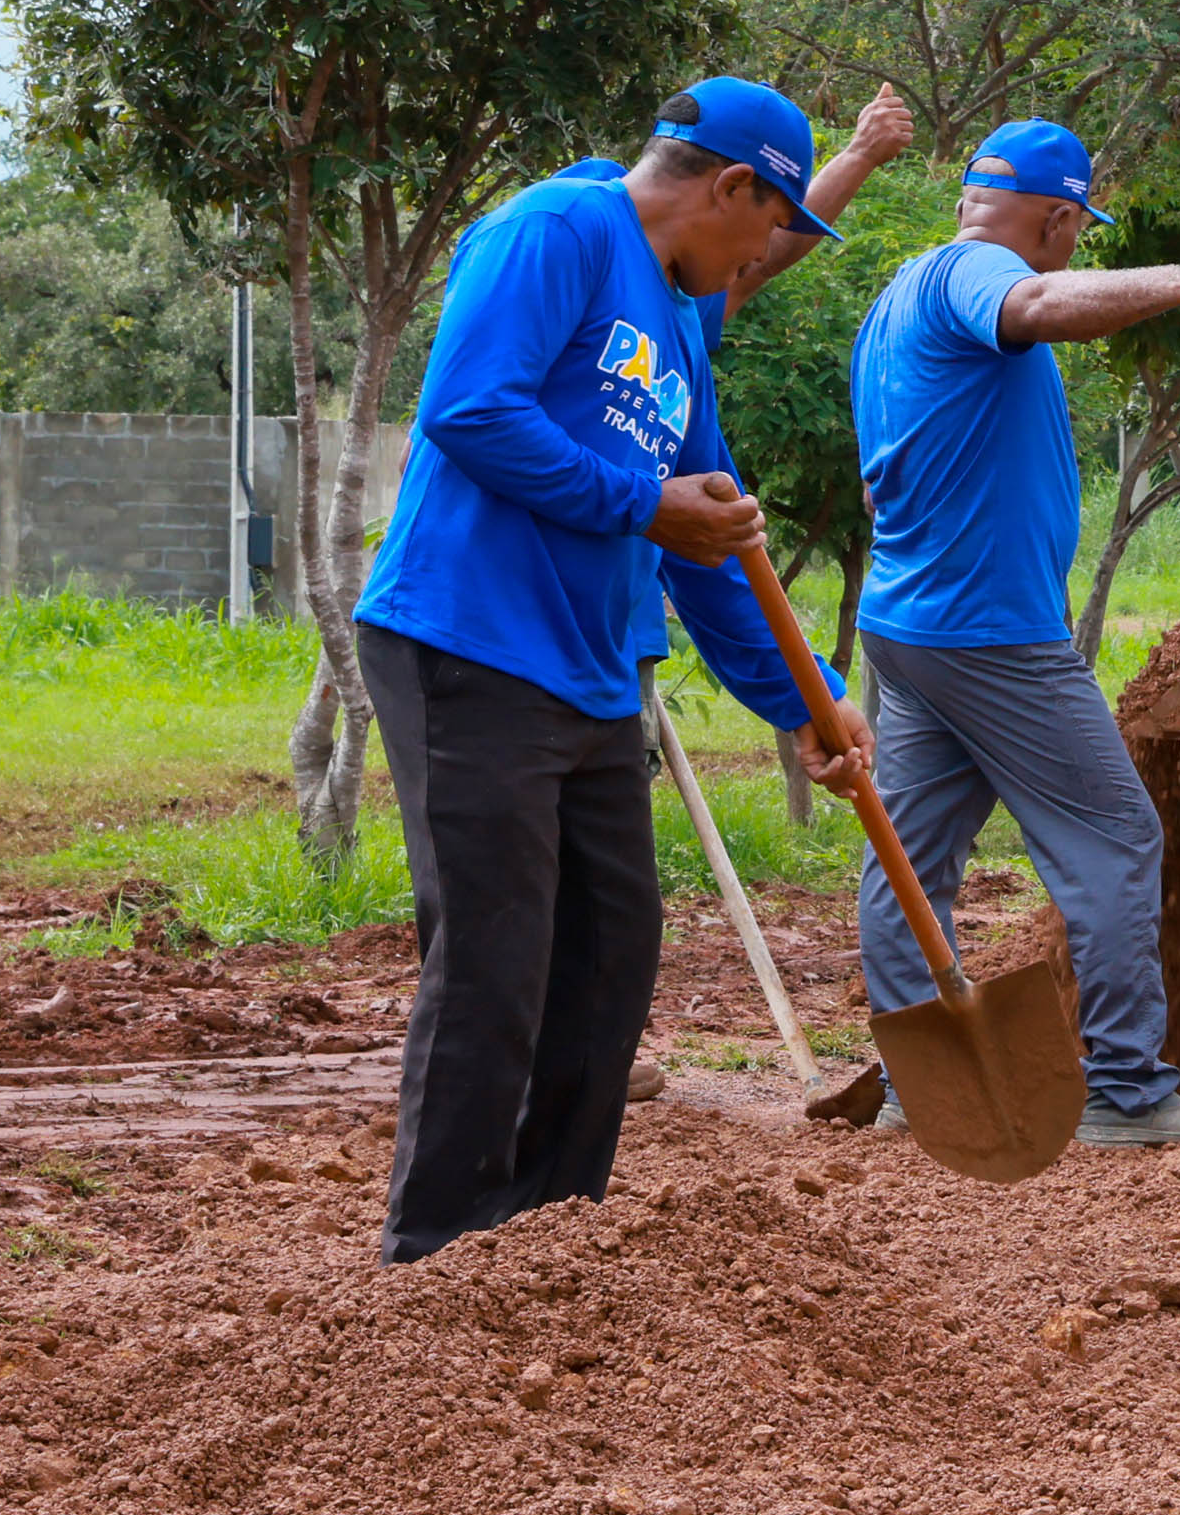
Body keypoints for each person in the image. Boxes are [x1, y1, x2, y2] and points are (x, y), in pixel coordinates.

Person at [355, 78, 911, 1262]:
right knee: (497, 963)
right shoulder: (557, 229)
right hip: (467, 641)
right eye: (771, 227)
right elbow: (469, 409)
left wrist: (804, 696)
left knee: (610, 958)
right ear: (728, 187)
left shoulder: (680, 326)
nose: (766, 255)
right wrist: (639, 503)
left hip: (590, 669)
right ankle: (436, 1258)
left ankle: (550, 1242)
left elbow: (714, 540)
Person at [845, 118, 1180, 1146]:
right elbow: (1037, 303)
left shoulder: (891, 301)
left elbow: (872, 476)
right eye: (1077, 231)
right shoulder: (978, 278)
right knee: (1117, 838)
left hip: (907, 624)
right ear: (1061, 216)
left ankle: (919, 1090)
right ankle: (1127, 1090)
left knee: (911, 856)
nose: (1073, 247)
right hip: (991, 635)